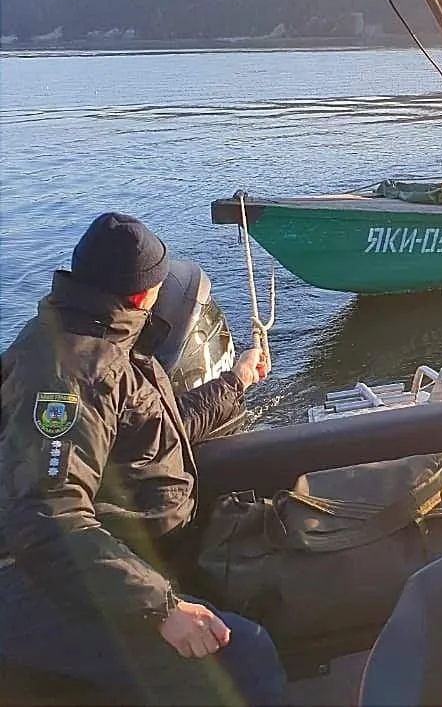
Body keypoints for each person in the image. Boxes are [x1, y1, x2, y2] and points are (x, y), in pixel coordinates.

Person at [0, 213, 286, 706]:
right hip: (31, 576)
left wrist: (236, 382)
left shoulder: (108, 339)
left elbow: (159, 433)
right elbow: (46, 516)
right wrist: (160, 608)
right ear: (139, 295)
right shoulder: (67, 375)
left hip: (106, 555)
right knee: (245, 659)